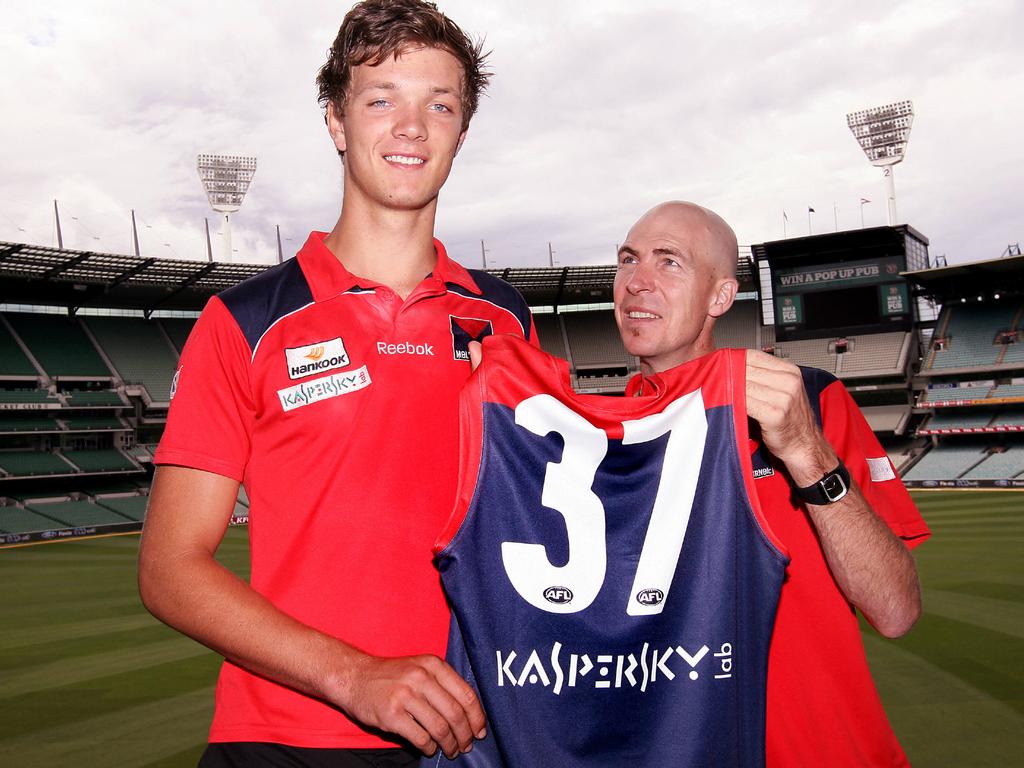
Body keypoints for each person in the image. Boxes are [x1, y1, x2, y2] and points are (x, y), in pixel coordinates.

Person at [138, 2, 535, 766]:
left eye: (439, 104)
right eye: (381, 98)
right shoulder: (246, 321)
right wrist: (354, 676)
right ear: (335, 121)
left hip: (476, 735)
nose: (412, 126)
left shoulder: (506, 321)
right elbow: (168, 568)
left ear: (461, 131)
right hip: (284, 742)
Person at [614, 200, 930, 767]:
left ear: (720, 297)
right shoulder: (598, 441)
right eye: (628, 260)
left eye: (669, 263)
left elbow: (895, 609)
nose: (637, 282)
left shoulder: (808, 399)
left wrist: (808, 454)